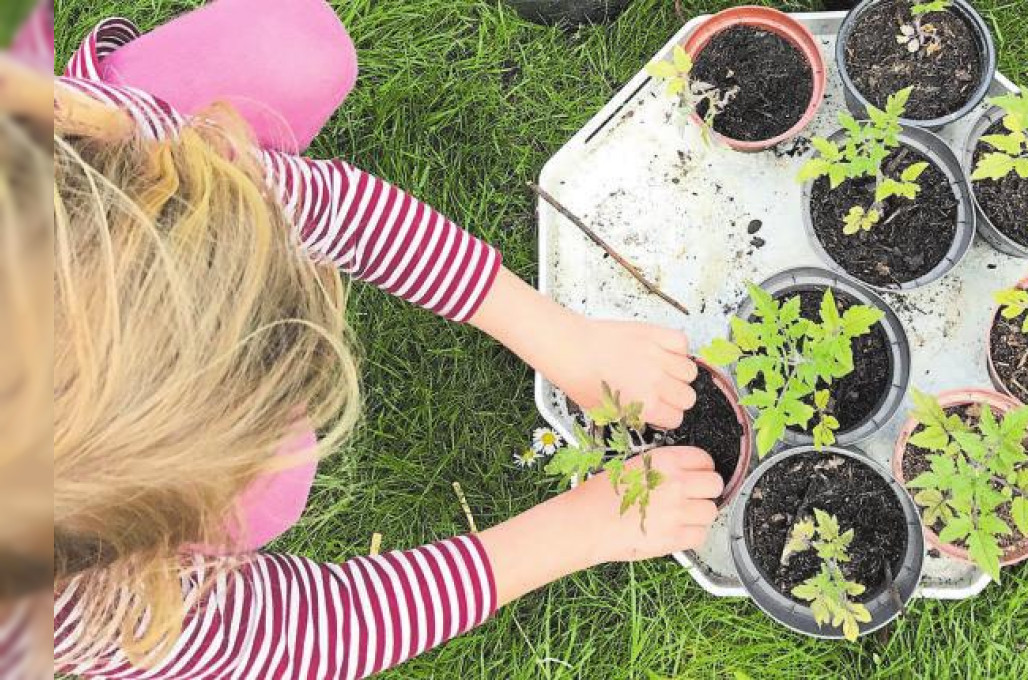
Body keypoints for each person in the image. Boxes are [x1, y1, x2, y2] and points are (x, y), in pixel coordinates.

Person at [49, 0, 722, 676]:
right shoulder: (77, 619)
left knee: (296, 47)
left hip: (119, 146)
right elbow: (314, 631)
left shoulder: (70, 154)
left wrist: (565, 342)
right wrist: (589, 524)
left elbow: (336, 210)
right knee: (282, 475)